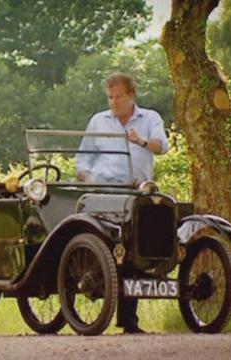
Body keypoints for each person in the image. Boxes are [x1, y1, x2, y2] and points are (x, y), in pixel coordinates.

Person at [76, 72, 169, 333]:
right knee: (113, 245)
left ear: (131, 96)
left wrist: (141, 141)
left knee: (135, 247)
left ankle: (129, 320)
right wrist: (84, 174)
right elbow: (84, 156)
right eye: (110, 97)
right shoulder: (99, 121)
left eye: (118, 97)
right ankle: (101, 293)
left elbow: (162, 146)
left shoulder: (150, 118)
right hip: (106, 191)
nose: (114, 102)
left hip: (138, 192)